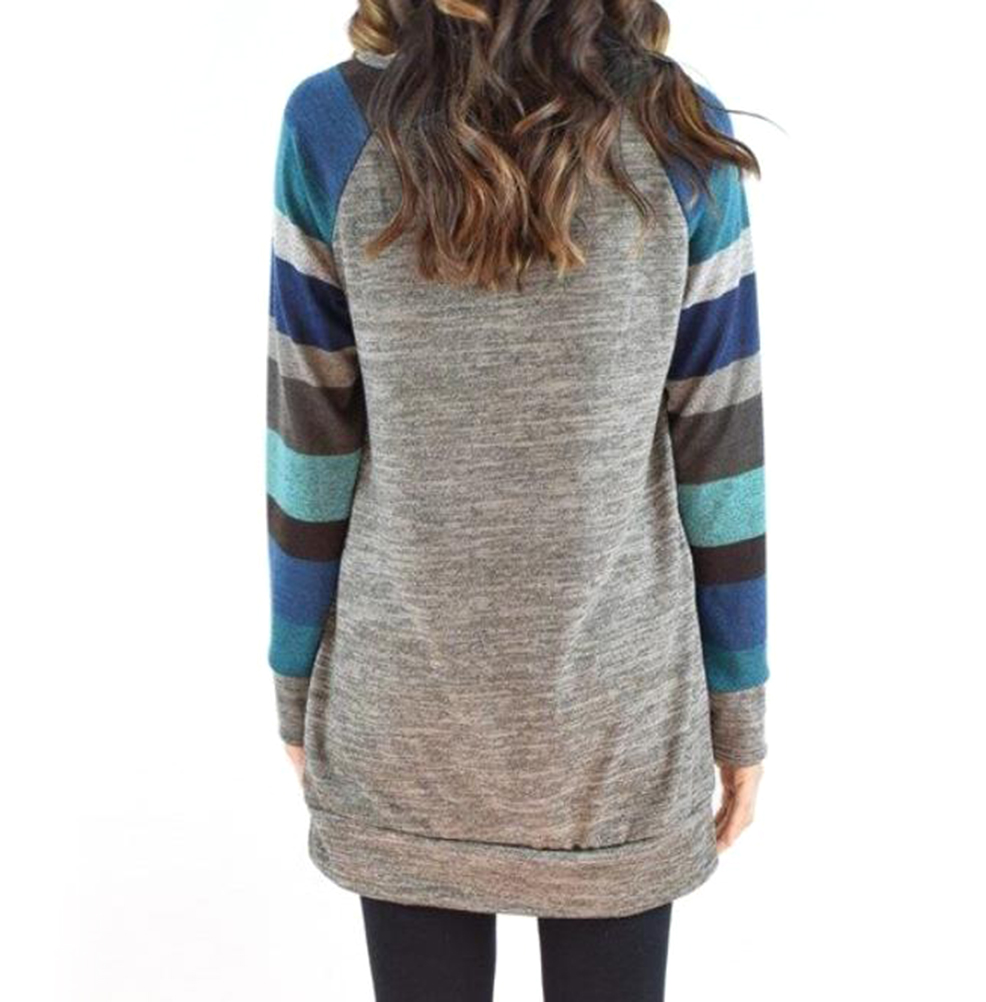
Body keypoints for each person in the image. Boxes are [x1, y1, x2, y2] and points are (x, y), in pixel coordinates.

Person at [265, 2, 769, 998]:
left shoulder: (330, 126)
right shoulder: (679, 130)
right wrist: (739, 705)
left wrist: (293, 675)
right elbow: (722, 445)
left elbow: (310, 433)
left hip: (404, 714)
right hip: (618, 722)